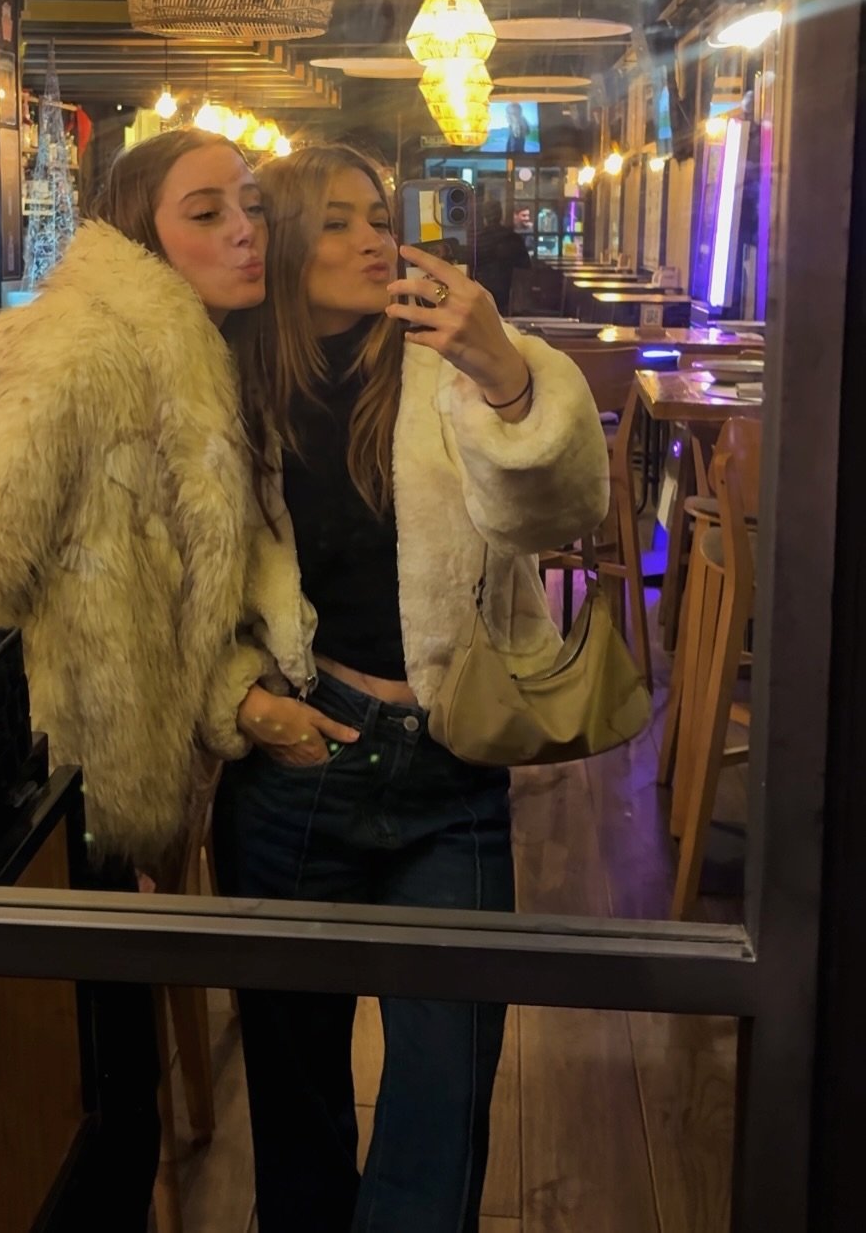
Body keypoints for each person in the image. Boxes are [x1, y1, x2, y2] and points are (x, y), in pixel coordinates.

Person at [0, 126, 273, 1231]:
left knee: (105, 1124)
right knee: (70, 1145)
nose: (245, 230)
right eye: (206, 210)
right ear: (139, 233)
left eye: (250, 205)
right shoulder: (73, 348)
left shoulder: (188, 357)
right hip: (29, 817)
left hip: (91, 818)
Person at [214, 144, 609, 1233]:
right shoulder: (226, 384)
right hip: (300, 760)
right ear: (281, 245)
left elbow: (560, 512)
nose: (373, 241)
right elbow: (170, 580)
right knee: (295, 1100)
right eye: (336, 222)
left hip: (449, 760)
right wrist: (242, 702)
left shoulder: (445, 362)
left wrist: (509, 375)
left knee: (447, 1090)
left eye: (379, 218)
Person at [475, 197, 530, 315]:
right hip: (508, 291)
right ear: (501, 215)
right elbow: (526, 267)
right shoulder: (513, 238)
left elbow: (471, 266)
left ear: (484, 217)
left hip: (482, 291)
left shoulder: (478, 240)